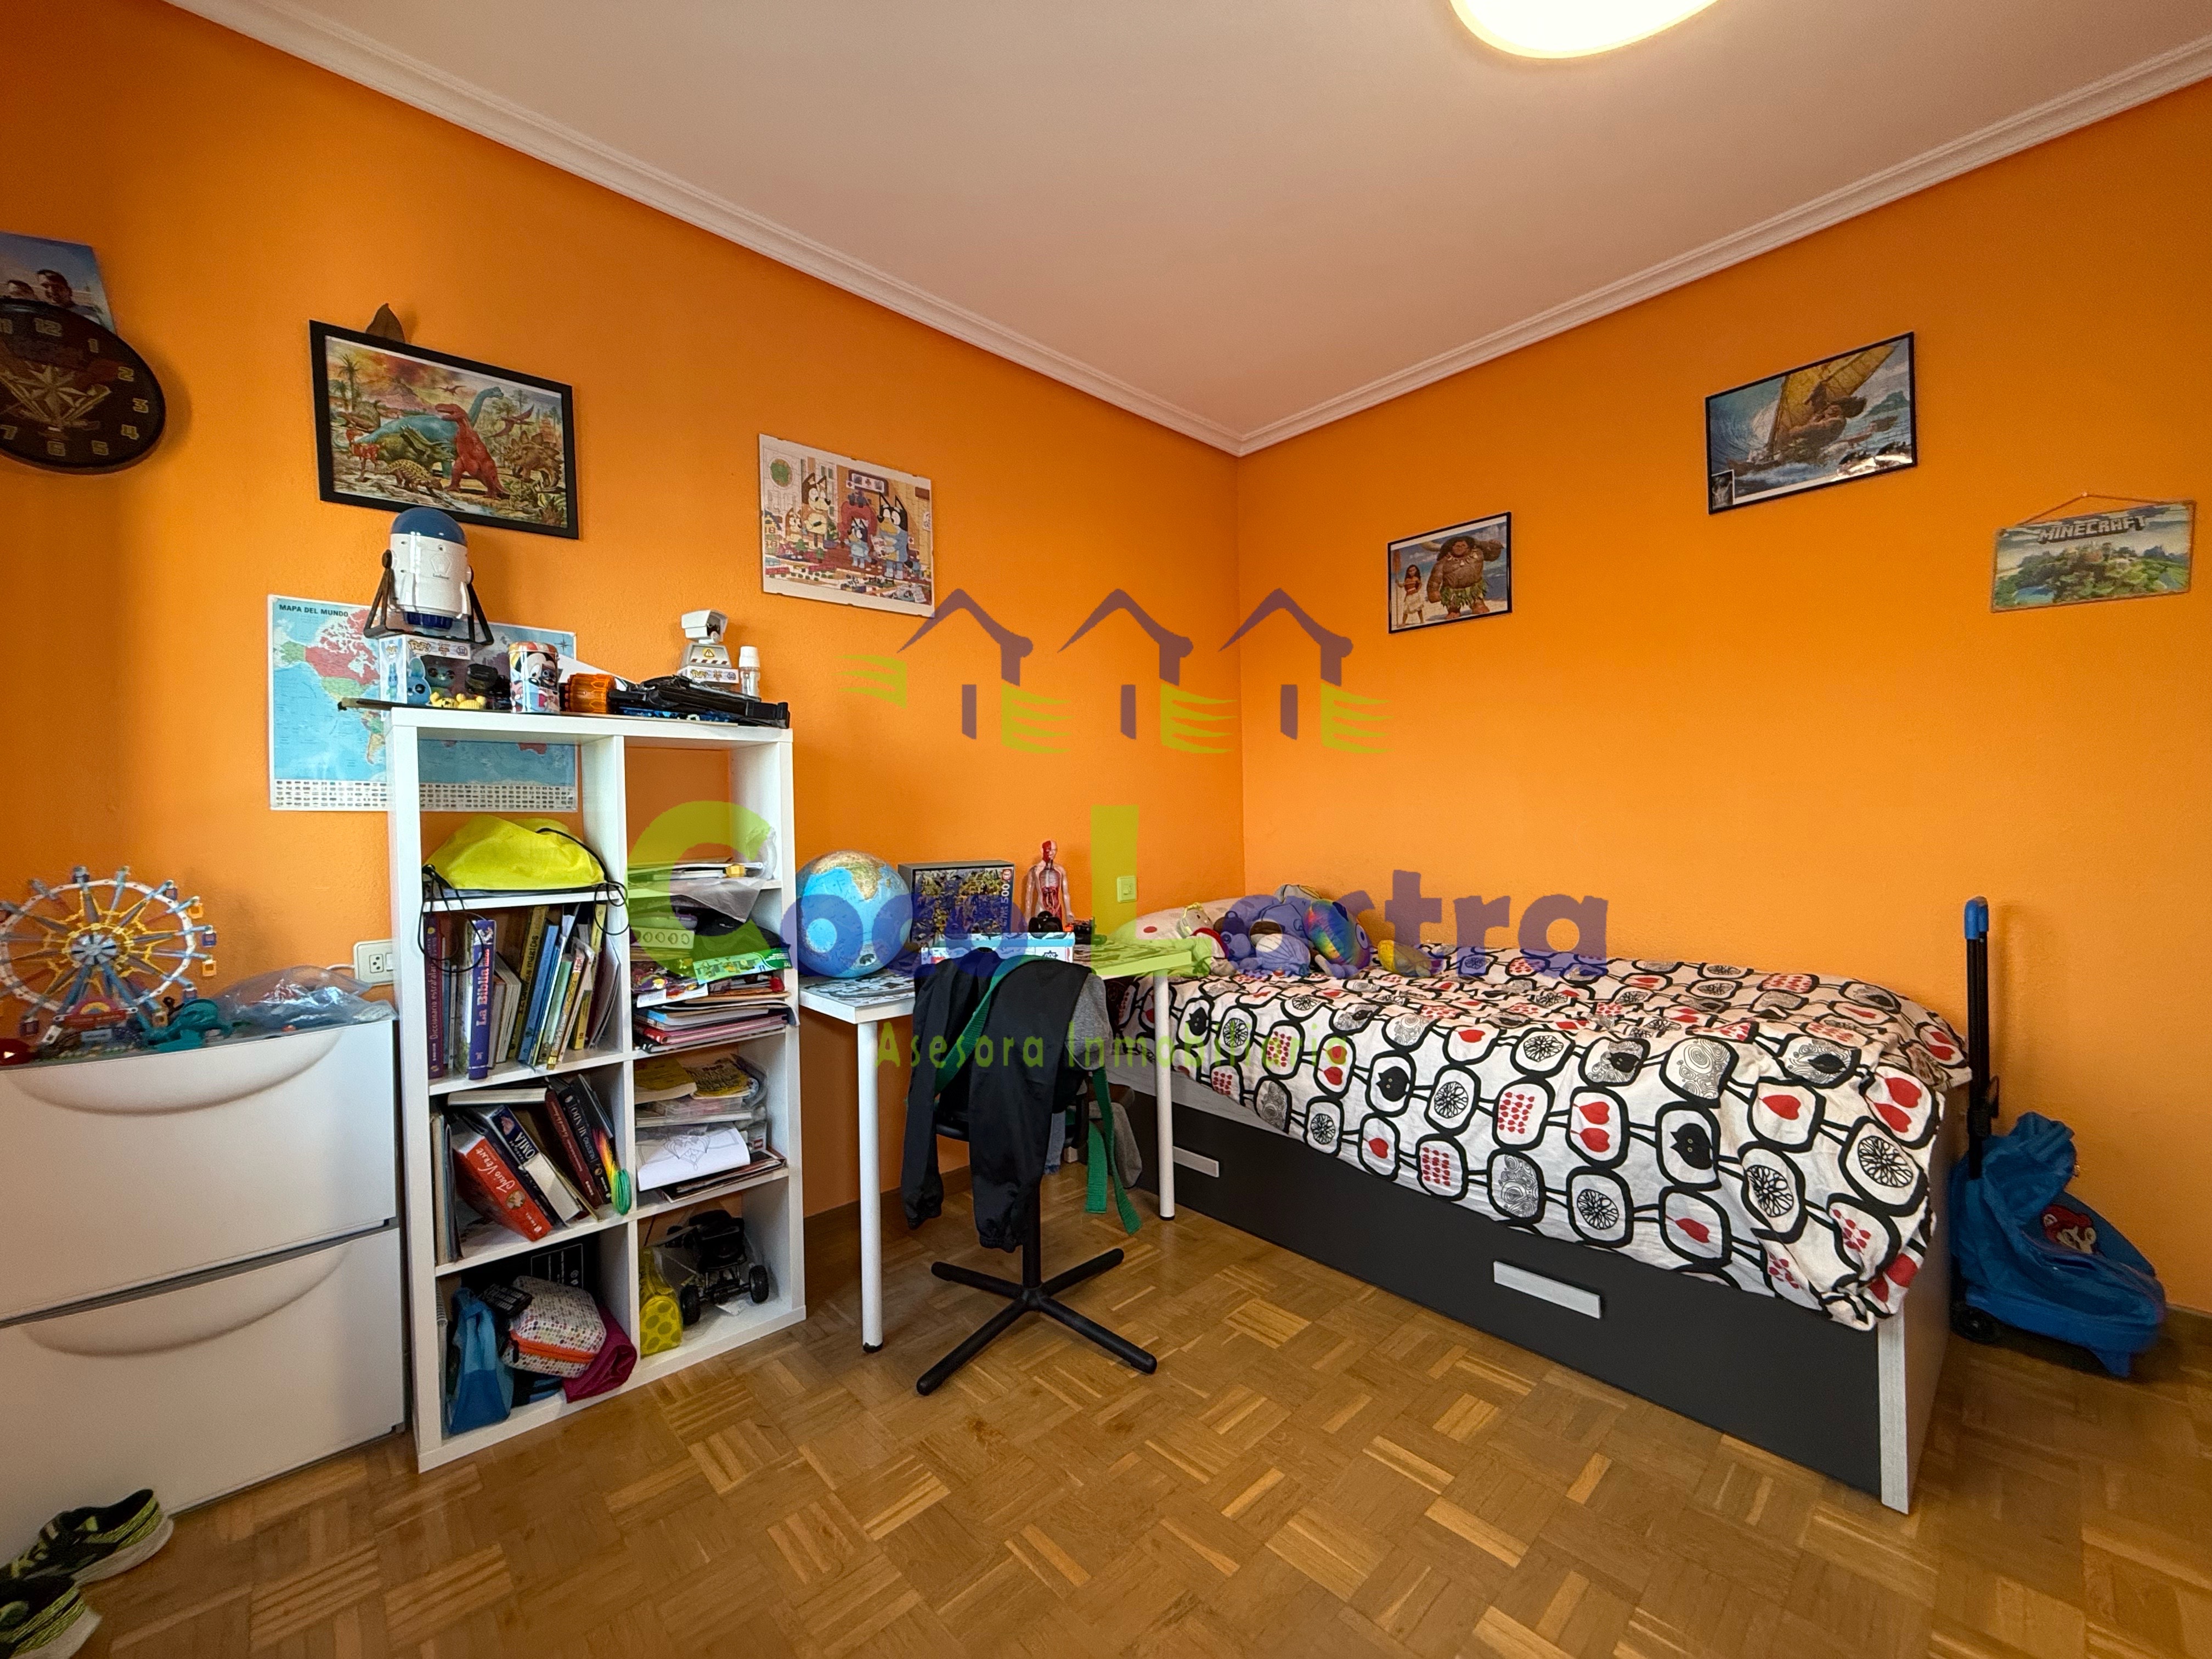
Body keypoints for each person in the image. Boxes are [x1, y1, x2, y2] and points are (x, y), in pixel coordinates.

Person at [35, 269, 104, 320]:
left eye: (56, 287)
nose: (51, 291)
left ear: (69, 291)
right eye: (45, 286)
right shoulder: (42, 314)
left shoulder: (87, 316)